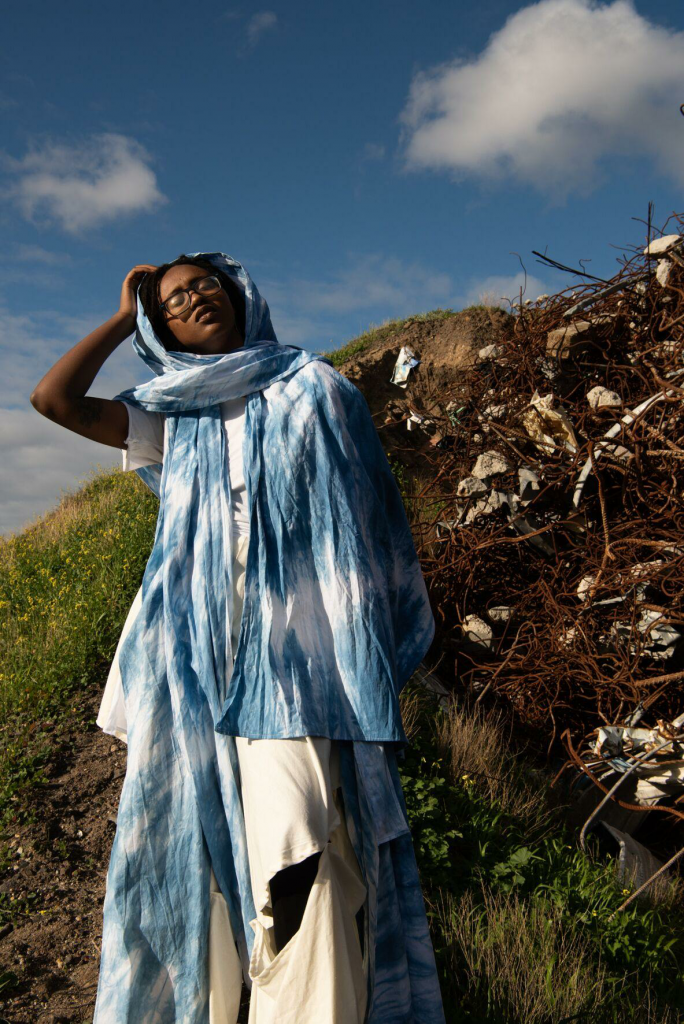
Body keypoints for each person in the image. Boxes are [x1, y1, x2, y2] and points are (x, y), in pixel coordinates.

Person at [30, 252, 446, 1024]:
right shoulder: (168, 413)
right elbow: (53, 400)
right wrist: (126, 315)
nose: (195, 299)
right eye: (175, 301)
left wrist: (365, 646)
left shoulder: (317, 388)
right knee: (197, 867)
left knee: (301, 852)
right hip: (189, 672)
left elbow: (370, 521)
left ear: (237, 292)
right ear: (165, 329)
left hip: (295, 671)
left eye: (204, 285)